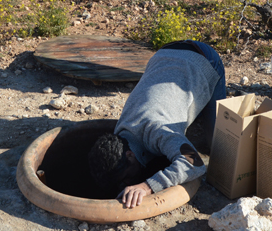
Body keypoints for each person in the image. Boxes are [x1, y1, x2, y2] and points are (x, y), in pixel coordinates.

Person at [88, 40, 225, 208]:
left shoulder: (157, 129)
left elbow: (194, 163)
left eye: (126, 179)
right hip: (163, 54)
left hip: (202, 59)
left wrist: (147, 186)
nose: (126, 185)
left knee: (217, 146)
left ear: (130, 155)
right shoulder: (121, 133)